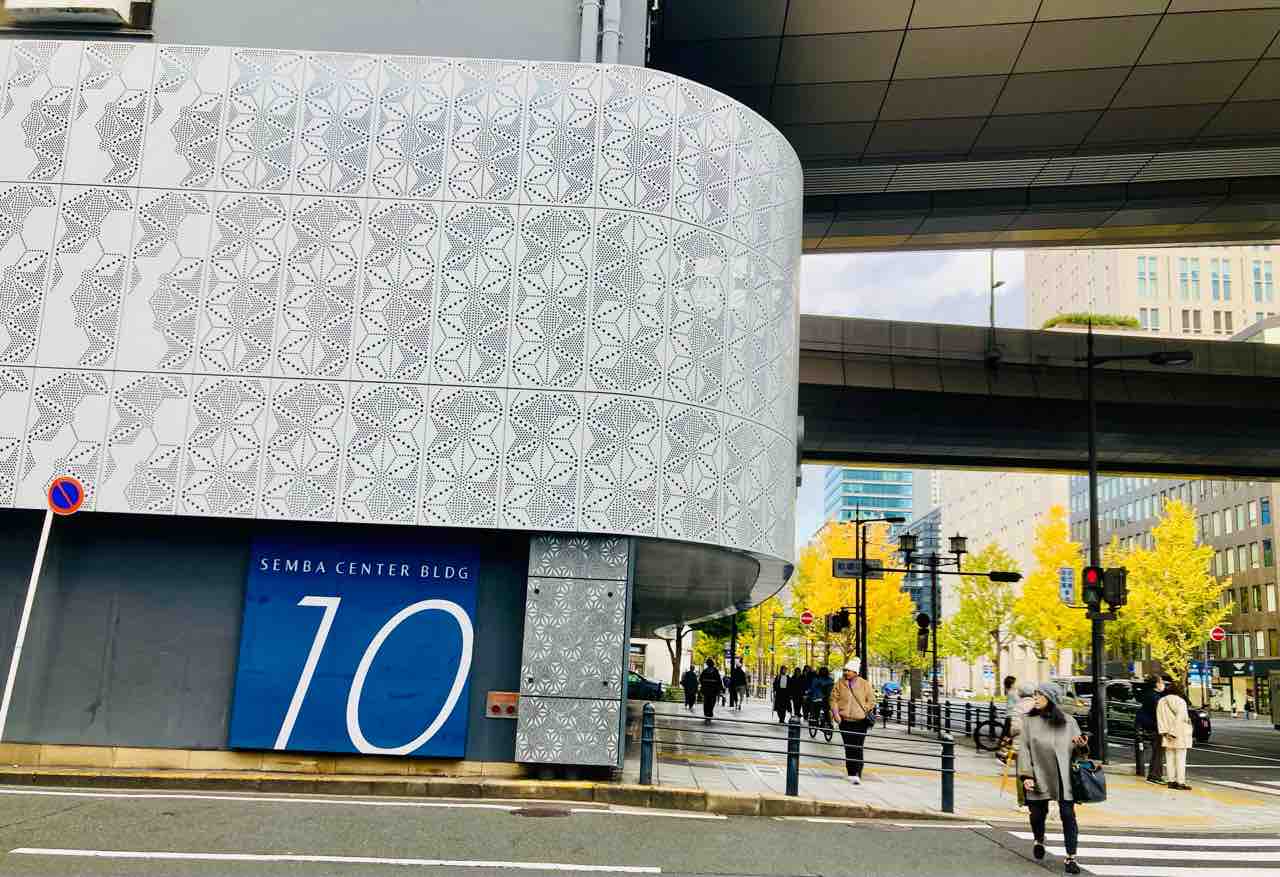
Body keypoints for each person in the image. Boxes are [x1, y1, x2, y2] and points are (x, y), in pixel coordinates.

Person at [1017, 683, 1088, 876]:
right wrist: (1026, 775)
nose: (1035, 698)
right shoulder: (1029, 721)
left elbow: (1080, 753)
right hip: (1038, 774)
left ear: (1051, 698)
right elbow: (1024, 749)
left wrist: (1082, 746)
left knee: (1068, 815)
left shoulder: (1069, 722)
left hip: (1064, 776)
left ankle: (1071, 857)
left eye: (1039, 695)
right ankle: (1039, 840)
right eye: (1035, 694)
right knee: (1037, 814)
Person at [829, 660, 877, 785]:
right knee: (849, 747)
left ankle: (858, 773)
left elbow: (872, 700)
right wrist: (836, 715)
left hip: (860, 722)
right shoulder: (840, 683)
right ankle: (851, 772)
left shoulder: (864, 684)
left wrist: (864, 709)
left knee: (858, 747)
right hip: (845, 721)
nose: (846, 672)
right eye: (845, 670)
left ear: (855, 672)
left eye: (848, 670)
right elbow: (833, 700)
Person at [1157, 679, 1194, 790]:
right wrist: (1173, 732)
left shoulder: (1162, 700)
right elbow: (1180, 718)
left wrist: (1164, 732)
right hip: (1180, 733)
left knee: (1169, 758)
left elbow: (1160, 718)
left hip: (1166, 733)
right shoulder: (1180, 701)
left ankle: (1171, 781)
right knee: (1180, 758)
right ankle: (1180, 782)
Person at [1136, 674, 1167, 785]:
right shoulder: (1155, 697)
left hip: (1150, 726)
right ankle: (1154, 775)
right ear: (1156, 684)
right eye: (1161, 682)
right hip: (1155, 727)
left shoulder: (1149, 694)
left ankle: (1156, 775)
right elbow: (1159, 713)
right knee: (1158, 751)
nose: (1163, 684)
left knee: (1157, 751)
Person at [699, 658, 722, 724]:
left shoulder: (705, 671)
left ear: (707, 664)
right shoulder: (715, 671)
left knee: (706, 701)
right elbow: (719, 680)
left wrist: (704, 684)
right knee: (712, 701)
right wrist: (720, 688)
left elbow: (700, 679)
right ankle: (710, 713)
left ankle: (707, 713)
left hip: (706, 689)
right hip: (713, 690)